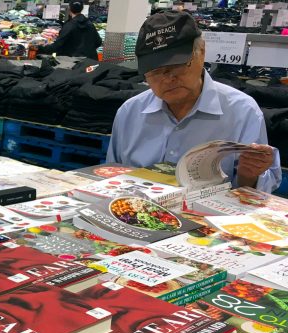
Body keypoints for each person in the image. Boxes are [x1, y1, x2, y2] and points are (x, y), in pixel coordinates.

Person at [107, 12, 282, 193]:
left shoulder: (242, 112)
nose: (168, 79)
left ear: (202, 52)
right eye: (155, 71)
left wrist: (249, 175)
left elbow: (261, 191)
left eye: (178, 66)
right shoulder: (129, 113)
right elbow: (110, 176)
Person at [36, 1, 101, 60]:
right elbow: (98, 42)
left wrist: (40, 48)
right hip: (90, 61)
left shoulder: (69, 25)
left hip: (73, 63)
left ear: (69, 8)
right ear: (82, 9)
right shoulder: (90, 24)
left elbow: (57, 46)